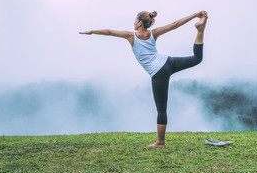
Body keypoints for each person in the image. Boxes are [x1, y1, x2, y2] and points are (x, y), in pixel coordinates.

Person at [79, 10, 208, 147]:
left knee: (161, 109)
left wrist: (92, 31)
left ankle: (160, 142)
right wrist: (194, 15)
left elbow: (110, 32)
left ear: (140, 23)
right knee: (197, 59)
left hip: (158, 72)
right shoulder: (153, 33)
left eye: (135, 20)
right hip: (168, 62)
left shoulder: (131, 36)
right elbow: (175, 24)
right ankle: (200, 30)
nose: (133, 23)